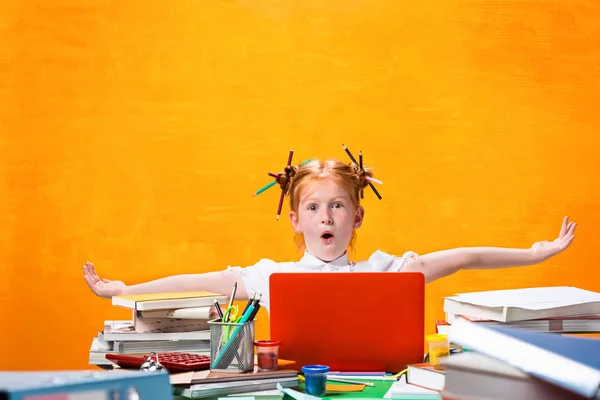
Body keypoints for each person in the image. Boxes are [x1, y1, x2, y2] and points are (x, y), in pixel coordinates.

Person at [83, 158, 577, 312]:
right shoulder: (270, 278)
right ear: (295, 220)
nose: (326, 217)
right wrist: (123, 290)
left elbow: (463, 256)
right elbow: (201, 279)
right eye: (314, 208)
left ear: (356, 218)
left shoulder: (385, 271)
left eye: (338, 206)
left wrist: (534, 255)